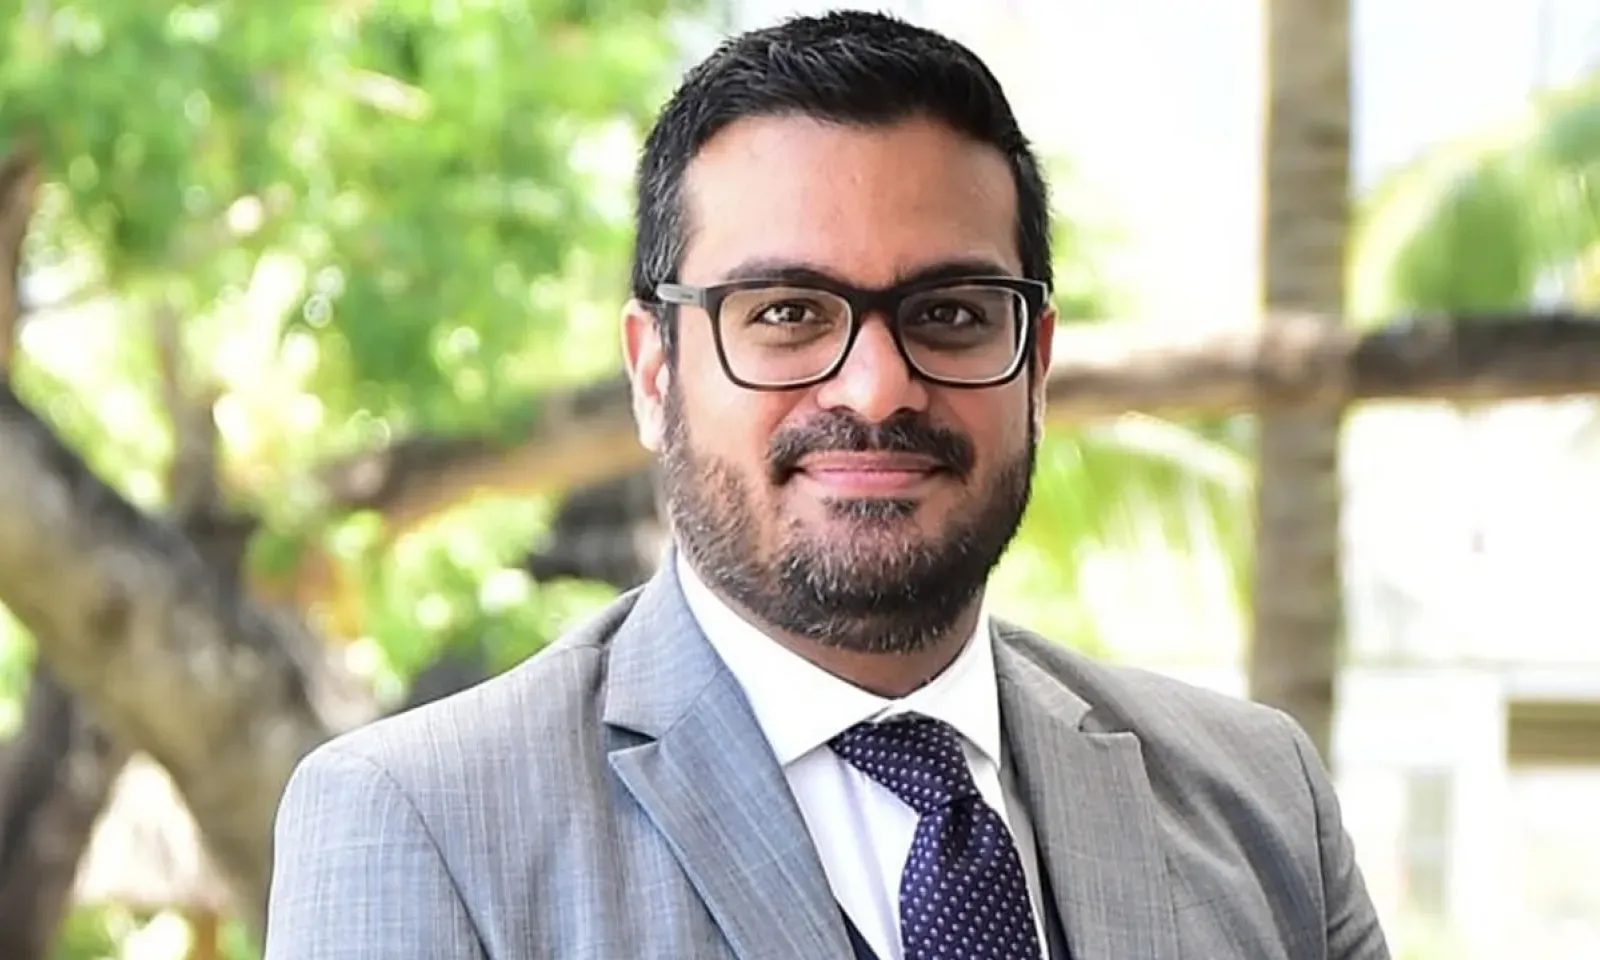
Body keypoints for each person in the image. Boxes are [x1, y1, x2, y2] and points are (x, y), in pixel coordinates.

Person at [262, 10, 1391, 960]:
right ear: (654, 372)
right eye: (788, 313)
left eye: (950, 314)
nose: (878, 386)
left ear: (1035, 364)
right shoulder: (422, 823)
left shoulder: (1260, 804)